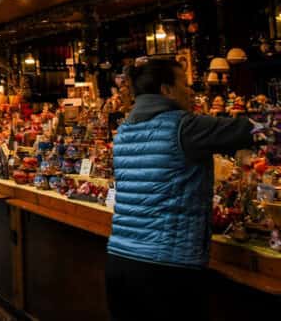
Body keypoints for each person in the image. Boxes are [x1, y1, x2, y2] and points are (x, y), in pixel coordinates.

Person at [105, 58, 254, 321]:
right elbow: (251, 131)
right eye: (184, 84)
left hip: (120, 262)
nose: (191, 90)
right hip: (166, 269)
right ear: (166, 91)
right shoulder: (183, 125)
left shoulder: (124, 130)